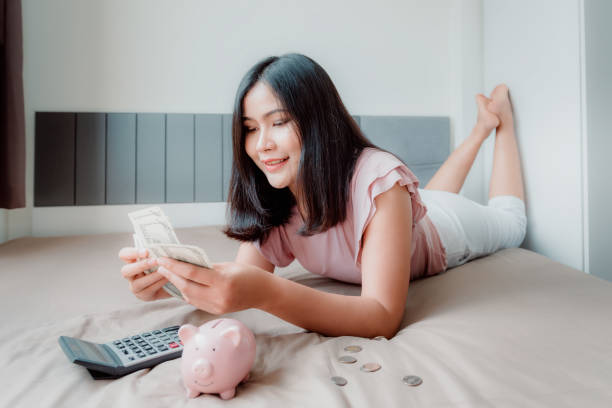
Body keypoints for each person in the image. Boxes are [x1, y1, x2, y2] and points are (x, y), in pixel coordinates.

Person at [118, 53, 526, 339]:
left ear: (317, 122)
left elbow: (382, 317)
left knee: (510, 222)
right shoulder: (276, 195)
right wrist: (172, 282)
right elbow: (241, 280)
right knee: (432, 194)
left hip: (443, 234)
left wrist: (266, 293)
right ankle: (479, 129)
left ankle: (499, 124)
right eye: (250, 128)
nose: (261, 145)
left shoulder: (379, 177)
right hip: (403, 211)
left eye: (277, 122)